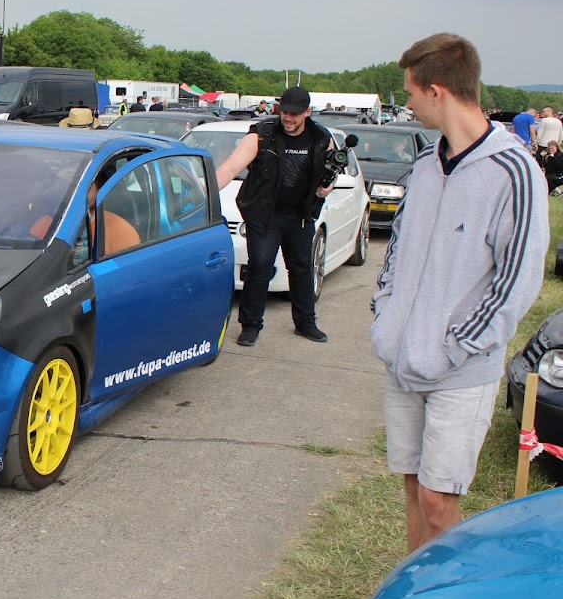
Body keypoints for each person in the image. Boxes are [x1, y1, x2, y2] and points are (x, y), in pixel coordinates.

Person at [373, 33, 548, 553]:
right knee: (412, 486)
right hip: (403, 361)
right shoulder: (425, 165)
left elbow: (517, 281)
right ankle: (415, 589)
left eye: (410, 93)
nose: (407, 104)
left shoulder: (514, 171)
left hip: (460, 368)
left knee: (438, 498)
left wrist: (454, 345)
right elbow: (397, 250)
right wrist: (386, 316)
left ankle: (446, 594)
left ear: (437, 91)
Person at [215, 85, 333, 345]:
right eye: (284, 112)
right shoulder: (262, 134)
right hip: (265, 214)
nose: (287, 118)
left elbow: (331, 171)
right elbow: (231, 168)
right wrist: (205, 195)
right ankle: (250, 326)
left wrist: (328, 187)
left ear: (307, 112)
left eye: (294, 114)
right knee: (259, 267)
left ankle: (305, 322)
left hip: (300, 214)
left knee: (301, 268)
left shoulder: (321, 137)